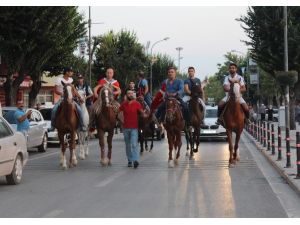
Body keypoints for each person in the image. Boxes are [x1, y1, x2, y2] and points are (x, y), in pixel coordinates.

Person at [50, 67, 86, 131]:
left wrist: (79, 97)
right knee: (54, 110)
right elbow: (55, 90)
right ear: (67, 72)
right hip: (62, 99)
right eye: (71, 71)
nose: (72, 73)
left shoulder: (71, 80)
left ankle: (82, 125)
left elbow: (74, 90)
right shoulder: (59, 79)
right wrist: (61, 93)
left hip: (71, 99)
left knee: (80, 110)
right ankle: (52, 125)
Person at [119, 89, 145, 169]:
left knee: (134, 144)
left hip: (134, 128)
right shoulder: (123, 104)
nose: (130, 95)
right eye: (128, 94)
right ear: (126, 95)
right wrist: (122, 121)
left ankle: (135, 160)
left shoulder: (137, 104)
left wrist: (145, 115)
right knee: (127, 145)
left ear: (133, 95)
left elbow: (141, 113)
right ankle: (130, 160)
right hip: (126, 128)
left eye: (131, 94)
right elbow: (119, 113)